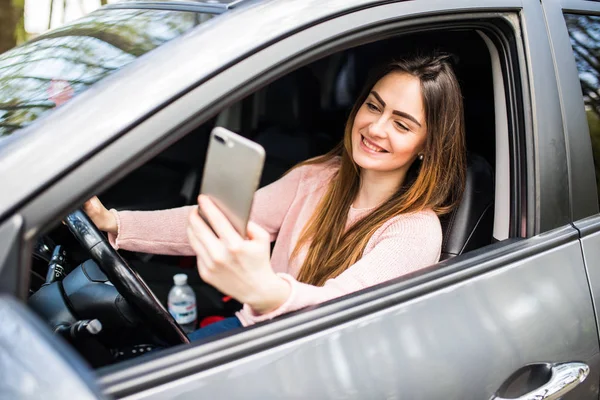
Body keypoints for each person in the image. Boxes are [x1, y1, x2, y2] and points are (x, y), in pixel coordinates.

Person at [84, 53, 466, 340]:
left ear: (426, 146)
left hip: (305, 359)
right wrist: (115, 222)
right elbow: (220, 220)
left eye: (401, 124)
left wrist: (264, 291)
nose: (376, 127)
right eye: (373, 105)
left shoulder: (415, 230)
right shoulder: (317, 178)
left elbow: (343, 309)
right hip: (255, 331)